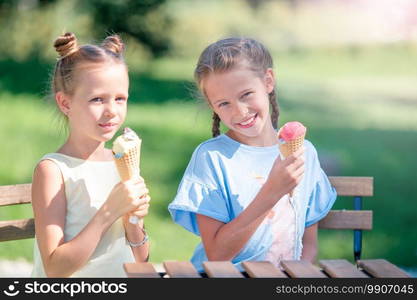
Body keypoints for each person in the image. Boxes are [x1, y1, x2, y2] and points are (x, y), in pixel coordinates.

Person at [168, 37, 337, 272]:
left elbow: (308, 246)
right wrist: (272, 191)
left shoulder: (304, 153)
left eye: (246, 94)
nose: (240, 111)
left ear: (268, 81)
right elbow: (217, 255)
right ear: (211, 105)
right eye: (224, 103)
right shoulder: (212, 158)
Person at [31, 32, 150, 277]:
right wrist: (109, 212)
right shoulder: (53, 170)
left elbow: (140, 260)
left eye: (120, 99)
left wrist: (133, 221)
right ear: (65, 103)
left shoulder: (120, 161)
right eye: (97, 99)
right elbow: (54, 269)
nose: (111, 111)